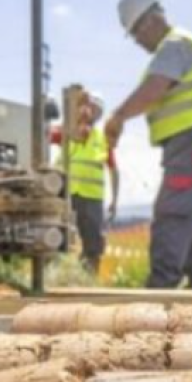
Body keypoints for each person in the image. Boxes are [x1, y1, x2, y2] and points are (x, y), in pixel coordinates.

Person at [104, 0, 192, 289]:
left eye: (136, 32)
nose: (136, 41)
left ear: (150, 20)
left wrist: (119, 116)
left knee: (172, 210)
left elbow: (155, 88)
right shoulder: (172, 49)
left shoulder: (174, 45)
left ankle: (161, 286)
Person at [55, 93, 119, 275]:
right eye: (84, 107)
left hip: (92, 199)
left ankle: (88, 278)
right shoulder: (65, 132)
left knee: (93, 245)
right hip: (66, 196)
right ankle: (57, 278)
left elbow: (113, 170)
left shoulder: (102, 139)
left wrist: (114, 200)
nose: (88, 112)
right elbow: (46, 134)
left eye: (93, 110)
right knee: (58, 239)